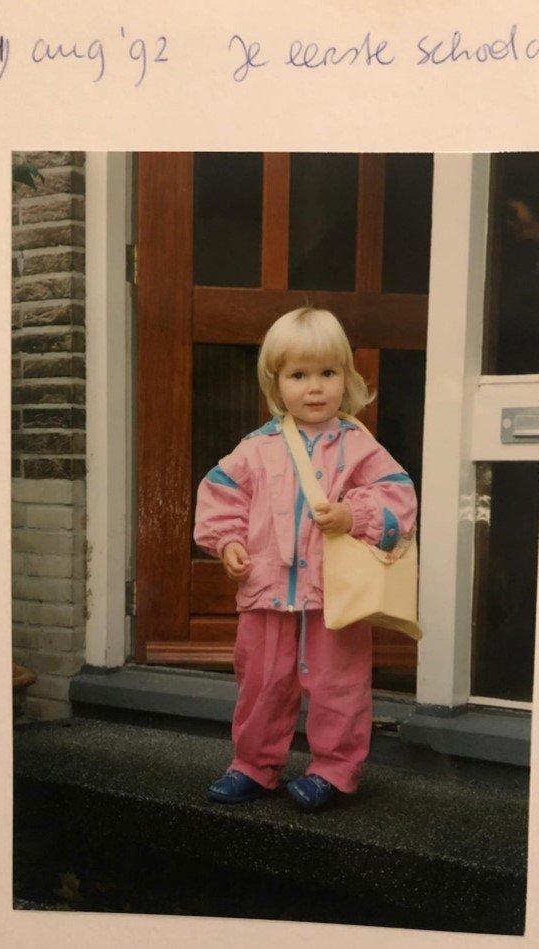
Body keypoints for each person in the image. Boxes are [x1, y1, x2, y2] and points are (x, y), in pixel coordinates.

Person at [194, 307, 417, 811]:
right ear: (275, 382)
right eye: (298, 375)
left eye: (327, 373)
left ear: (347, 377)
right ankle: (253, 764)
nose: (314, 387)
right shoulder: (256, 448)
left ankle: (334, 770)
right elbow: (221, 494)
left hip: (335, 595)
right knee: (261, 682)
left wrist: (354, 515)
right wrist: (228, 541)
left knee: (340, 685)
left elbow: (399, 496)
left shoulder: (359, 447)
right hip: (265, 589)